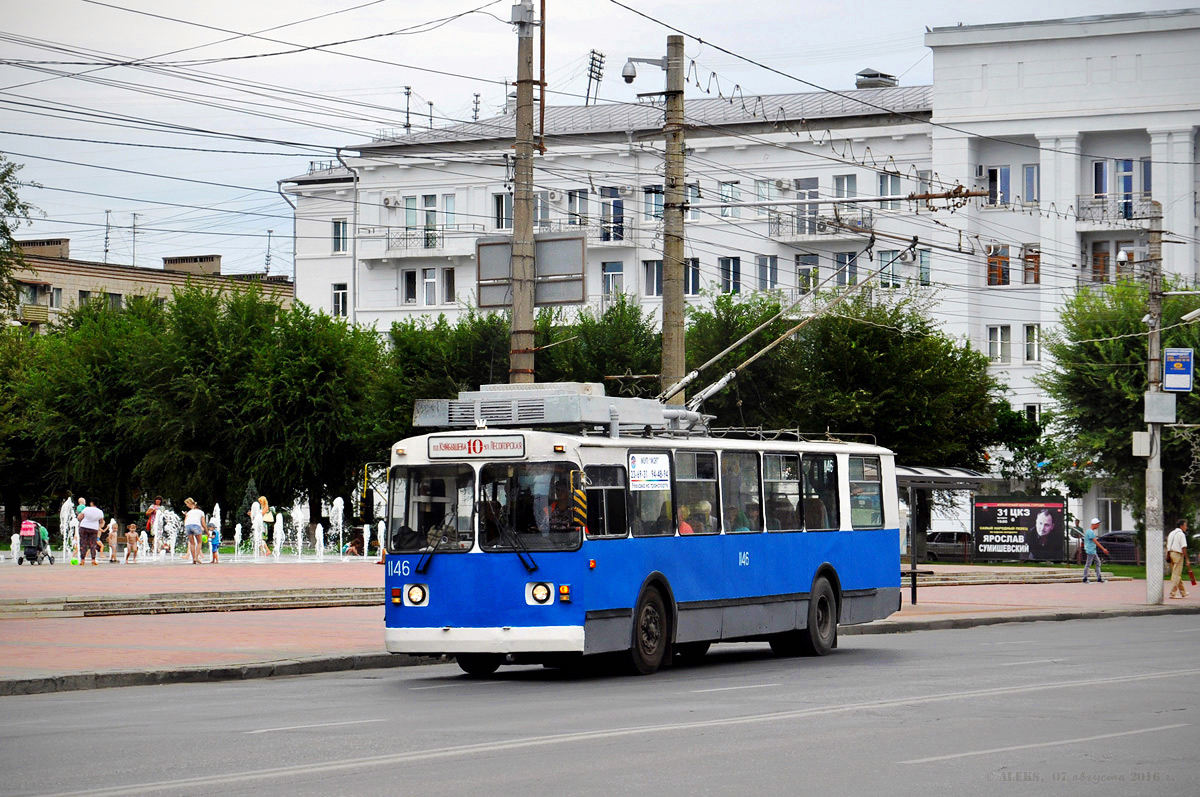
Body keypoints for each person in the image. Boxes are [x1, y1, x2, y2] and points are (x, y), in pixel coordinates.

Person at [76, 498, 105, 566]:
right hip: (94, 528)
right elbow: (101, 521)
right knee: (93, 544)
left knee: (83, 543)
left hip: (84, 527)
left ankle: (82, 560)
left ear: (92, 503)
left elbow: (79, 518)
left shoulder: (86, 509)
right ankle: (93, 560)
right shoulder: (100, 512)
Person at [1167, 518, 1189, 599]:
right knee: (1176, 575)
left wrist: (1168, 555)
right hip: (1178, 555)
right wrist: (1187, 559)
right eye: (1185, 525)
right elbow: (1184, 548)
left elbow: (1168, 546)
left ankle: (1183, 592)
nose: (1186, 527)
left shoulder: (1171, 533)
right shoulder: (1181, 534)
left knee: (1176, 573)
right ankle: (1172, 593)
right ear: (1181, 526)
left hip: (1170, 554)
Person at [1082, 517, 1109, 584]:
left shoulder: (1089, 531)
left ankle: (1099, 578)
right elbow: (1095, 541)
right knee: (1088, 564)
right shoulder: (1090, 532)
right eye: (1098, 524)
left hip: (1092, 550)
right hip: (1090, 550)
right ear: (1095, 524)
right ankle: (1085, 578)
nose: (1098, 526)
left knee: (1098, 562)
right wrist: (1103, 549)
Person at [182, 497, 206, 565]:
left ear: (190, 503)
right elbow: (203, 524)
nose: (187, 505)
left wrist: (186, 516)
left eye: (187, 504)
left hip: (187, 526)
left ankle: (193, 560)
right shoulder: (201, 512)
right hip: (196, 526)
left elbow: (185, 521)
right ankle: (196, 557)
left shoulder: (189, 512)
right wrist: (207, 531)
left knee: (192, 543)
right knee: (199, 542)